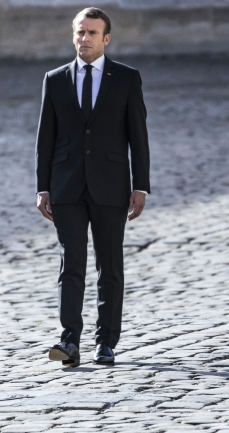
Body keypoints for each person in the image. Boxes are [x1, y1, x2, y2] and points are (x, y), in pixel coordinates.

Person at [36, 6, 150, 367]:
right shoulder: (54, 79)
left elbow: (138, 136)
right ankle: (69, 340)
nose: (84, 38)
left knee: (110, 265)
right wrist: (43, 187)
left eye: (91, 33)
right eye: (79, 32)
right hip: (66, 186)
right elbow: (45, 139)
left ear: (106, 38)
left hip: (112, 185)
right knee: (71, 264)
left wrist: (141, 185)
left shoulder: (127, 78)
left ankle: (106, 342)